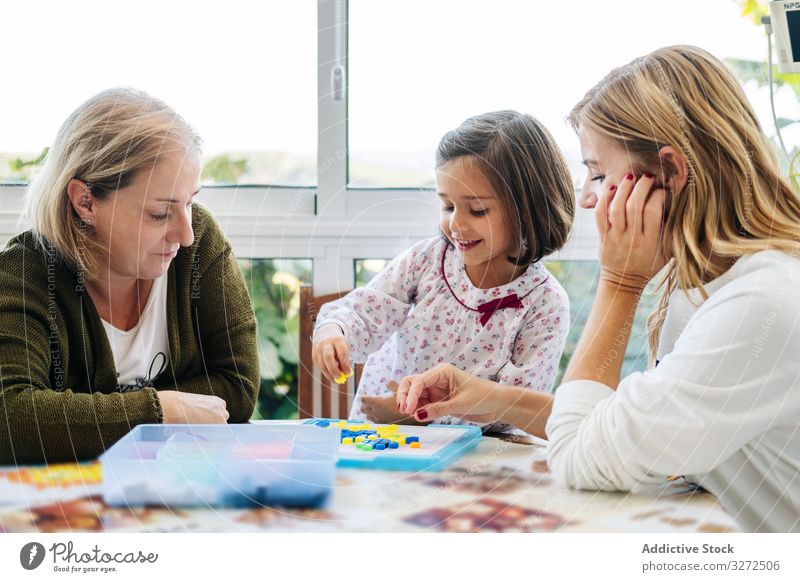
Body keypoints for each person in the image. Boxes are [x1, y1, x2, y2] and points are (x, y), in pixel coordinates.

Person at [396, 46, 800, 532]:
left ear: (669, 173)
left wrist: (619, 282)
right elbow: (615, 428)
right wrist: (482, 396)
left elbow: (578, 459)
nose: (587, 196)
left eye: (599, 173)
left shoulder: (761, 304)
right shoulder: (711, 283)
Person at [0, 88, 259, 464]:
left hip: (178, 490)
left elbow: (238, 385)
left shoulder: (199, 242)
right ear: (85, 201)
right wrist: (161, 411)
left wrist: (78, 419)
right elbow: (11, 418)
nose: (185, 234)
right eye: (159, 213)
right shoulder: (25, 272)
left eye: (190, 202)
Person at [312, 110, 574, 427]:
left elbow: (516, 409)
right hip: (387, 444)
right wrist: (333, 330)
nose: (456, 223)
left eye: (477, 210)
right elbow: (366, 310)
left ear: (528, 207)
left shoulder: (545, 304)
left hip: (480, 460)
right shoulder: (425, 261)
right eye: (447, 206)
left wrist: (420, 415)